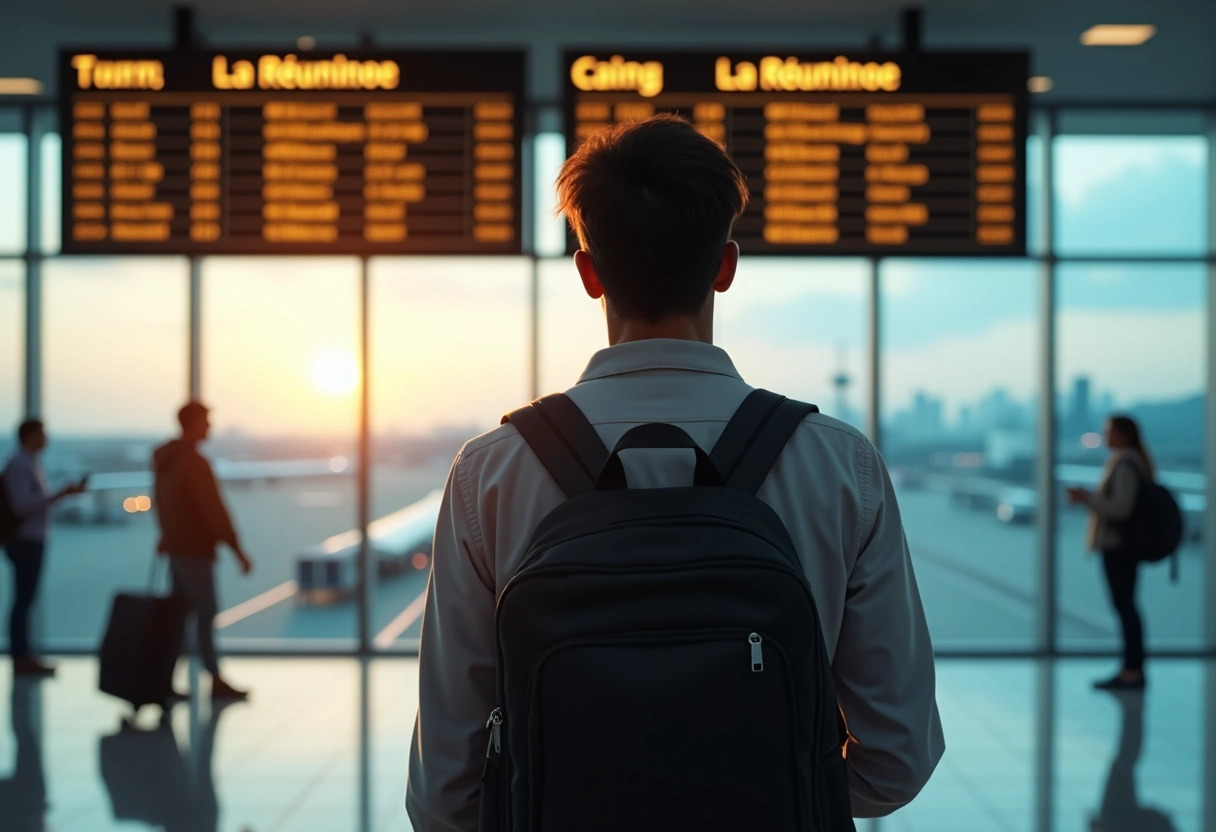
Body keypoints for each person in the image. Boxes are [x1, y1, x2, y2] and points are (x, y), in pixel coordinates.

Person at [407, 115, 944, 830]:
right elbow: (898, 756)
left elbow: (445, 792)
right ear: (725, 266)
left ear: (589, 273)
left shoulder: (492, 473)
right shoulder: (838, 463)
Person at [152, 402, 253, 701]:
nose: (209, 427)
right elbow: (214, 512)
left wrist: (166, 537)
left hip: (176, 550)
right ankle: (214, 677)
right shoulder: (194, 463)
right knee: (205, 613)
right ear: (194, 423)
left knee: (179, 616)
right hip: (194, 552)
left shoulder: (165, 460)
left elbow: (162, 504)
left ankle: (164, 681)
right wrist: (237, 549)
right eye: (206, 421)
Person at [1068, 415, 1155, 691]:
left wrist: (1087, 499)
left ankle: (1132, 670)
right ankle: (1131, 668)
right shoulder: (1130, 461)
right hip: (1122, 547)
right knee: (1126, 606)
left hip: (1119, 547)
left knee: (1126, 608)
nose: (1104, 436)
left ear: (1124, 434)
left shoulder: (1125, 464)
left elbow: (1120, 509)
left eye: (1109, 431)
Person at [1, 420, 87, 676]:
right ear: (31, 436)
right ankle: (21, 656)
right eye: (42, 433)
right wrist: (60, 494)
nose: (46, 438)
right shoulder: (20, 465)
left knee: (25, 599)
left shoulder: (28, 464)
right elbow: (23, 505)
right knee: (23, 600)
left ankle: (24, 654)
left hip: (31, 540)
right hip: (24, 541)